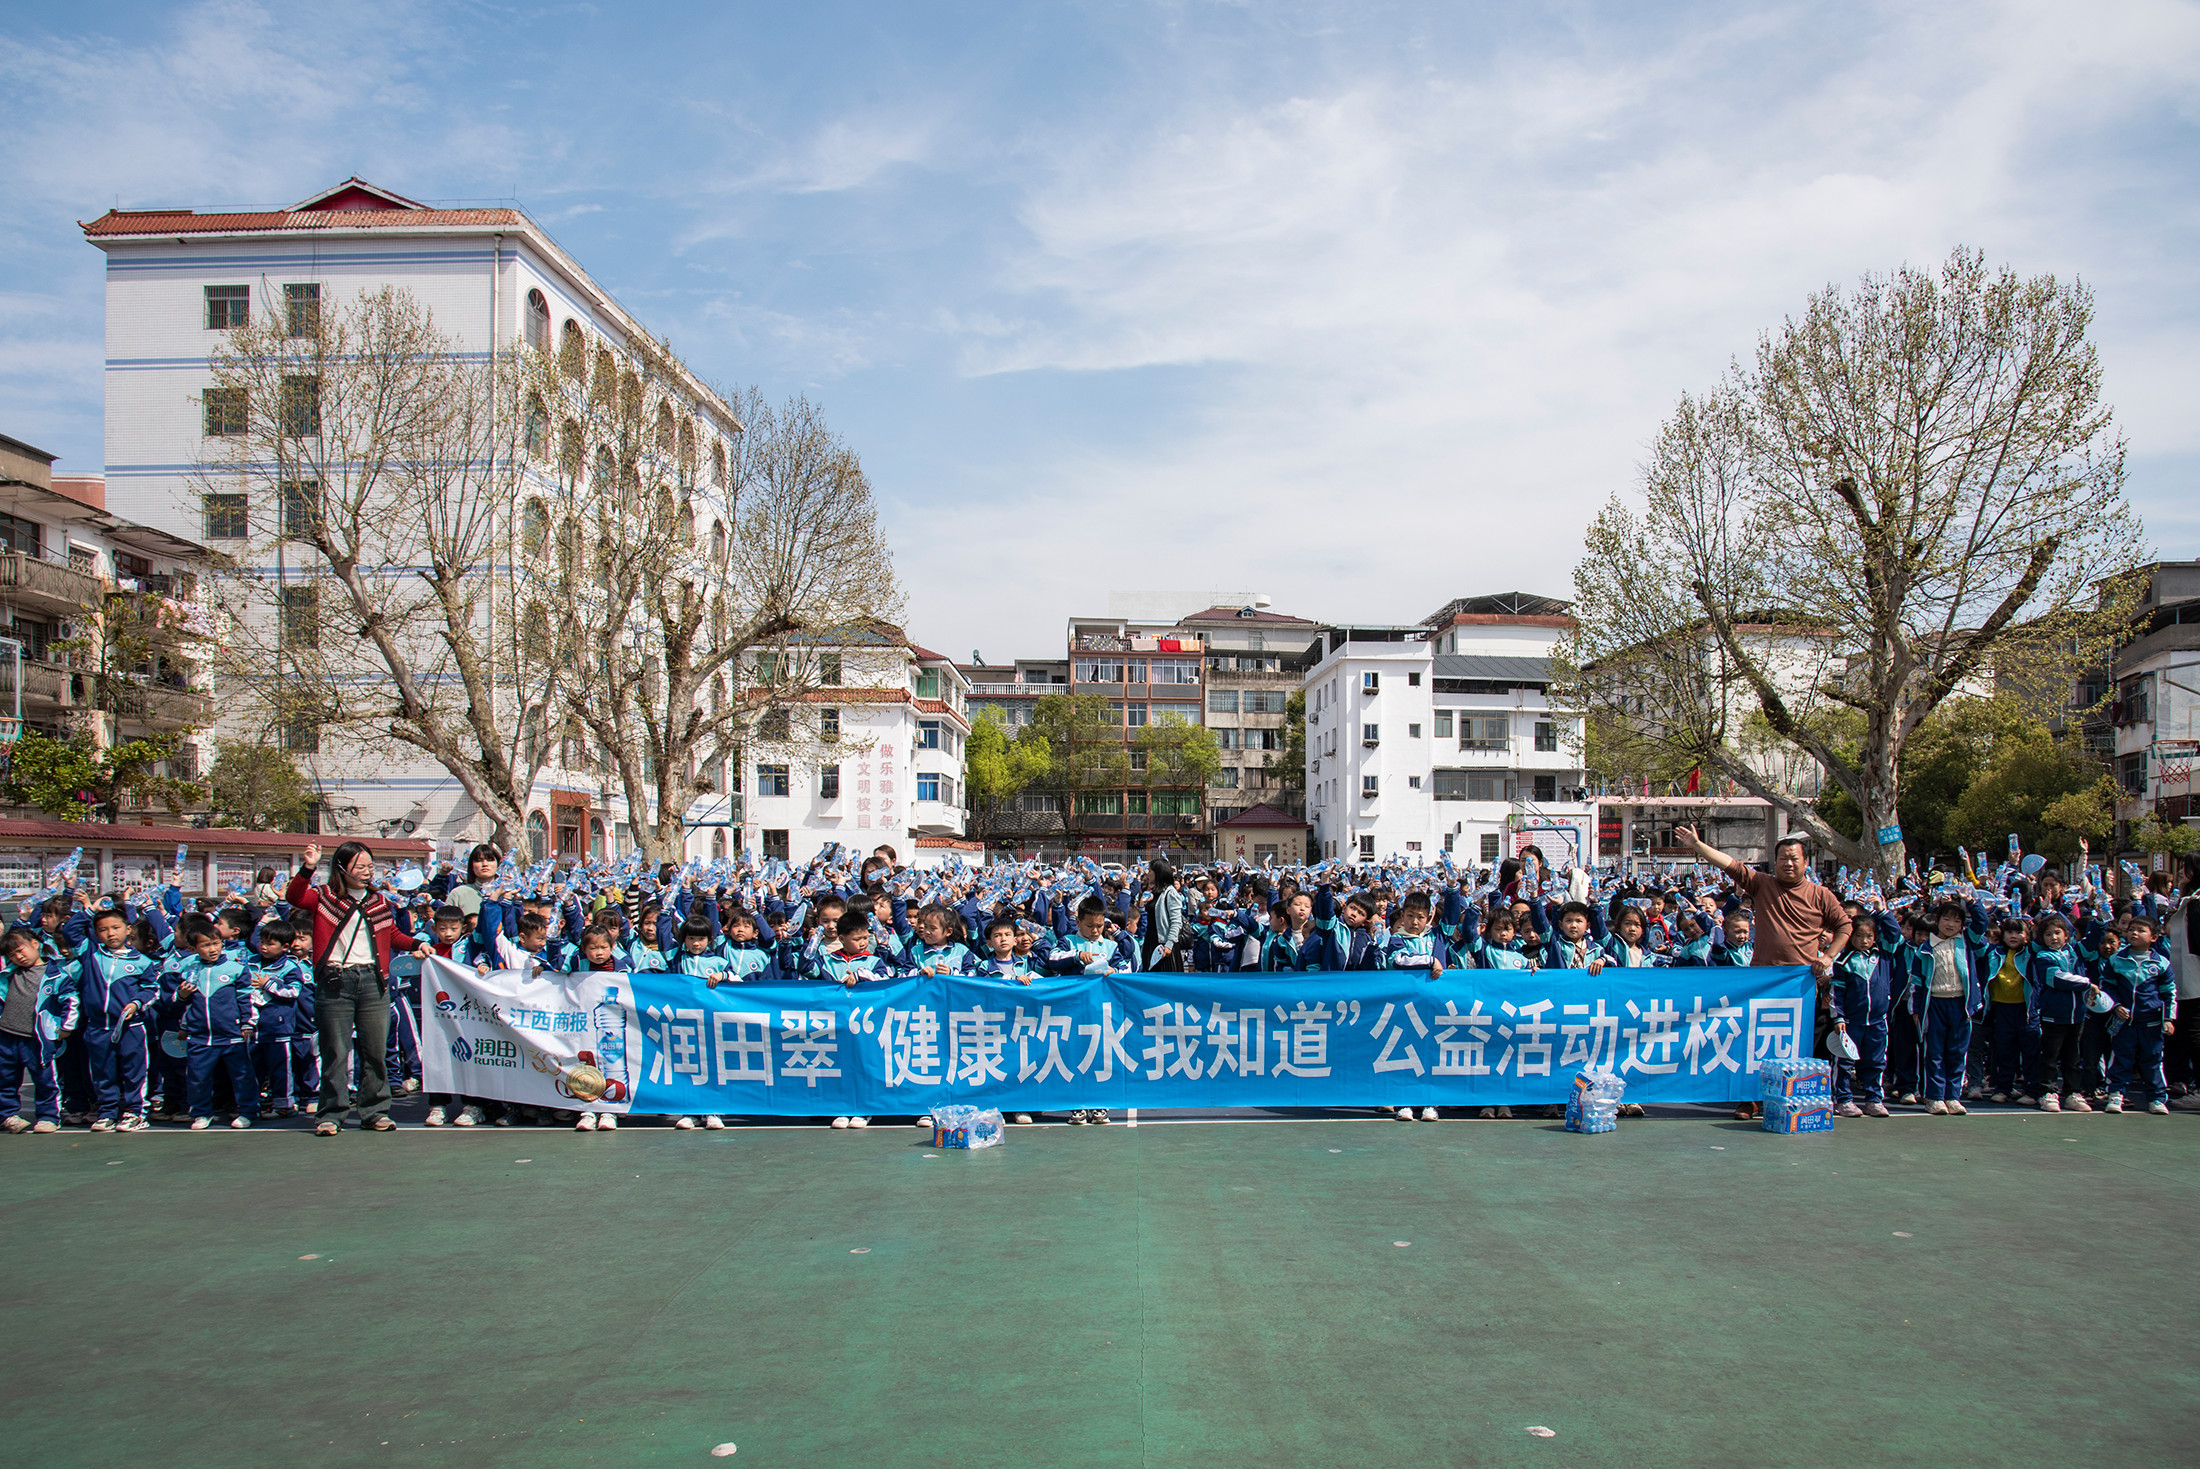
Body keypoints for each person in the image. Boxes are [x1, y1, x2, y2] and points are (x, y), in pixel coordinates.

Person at [1671, 828, 1848, 1119]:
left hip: (1803, 985)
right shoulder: (1763, 884)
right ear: (1774, 862)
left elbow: (1844, 926)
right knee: (1754, 1043)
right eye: (1782, 859)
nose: (1788, 864)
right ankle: (1750, 1099)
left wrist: (1827, 957)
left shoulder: (1821, 895)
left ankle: (1794, 1097)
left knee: (1801, 1045)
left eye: (1794, 859)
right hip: (1764, 983)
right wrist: (1699, 846)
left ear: (1806, 863)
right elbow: (1729, 864)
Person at [288, 841, 430, 1136]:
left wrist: (417, 943)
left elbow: (391, 934)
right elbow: (295, 897)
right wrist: (308, 866)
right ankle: (331, 1113)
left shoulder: (377, 901)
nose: (367, 873)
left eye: (369, 866)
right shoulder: (323, 897)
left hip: (372, 979)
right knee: (335, 1050)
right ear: (342, 868)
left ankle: (375, 1111)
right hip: (335, 979)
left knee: (375, 1049)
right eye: (359, 867)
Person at [0, 928, 76, 1134]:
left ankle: (49, 1116)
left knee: (44, 1079)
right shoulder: (9, 974)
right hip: (7, 1036)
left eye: (20, 949)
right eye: (11, 955)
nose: (18, 956)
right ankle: (8, 1116)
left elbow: (70, 1000)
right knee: (5, 1079)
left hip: (37, 1039)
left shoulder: (56, 975)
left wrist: (66, 1026)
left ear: (35, 943)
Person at [1144, 860, 1185, 972]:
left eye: (1150, 870)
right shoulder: (1153, 892)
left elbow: (1176, 922)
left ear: (1158, 872)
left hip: (1164, 946)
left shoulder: (1170, 892)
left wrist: (1169, 944)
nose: (1147, 873)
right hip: (1151, 941)